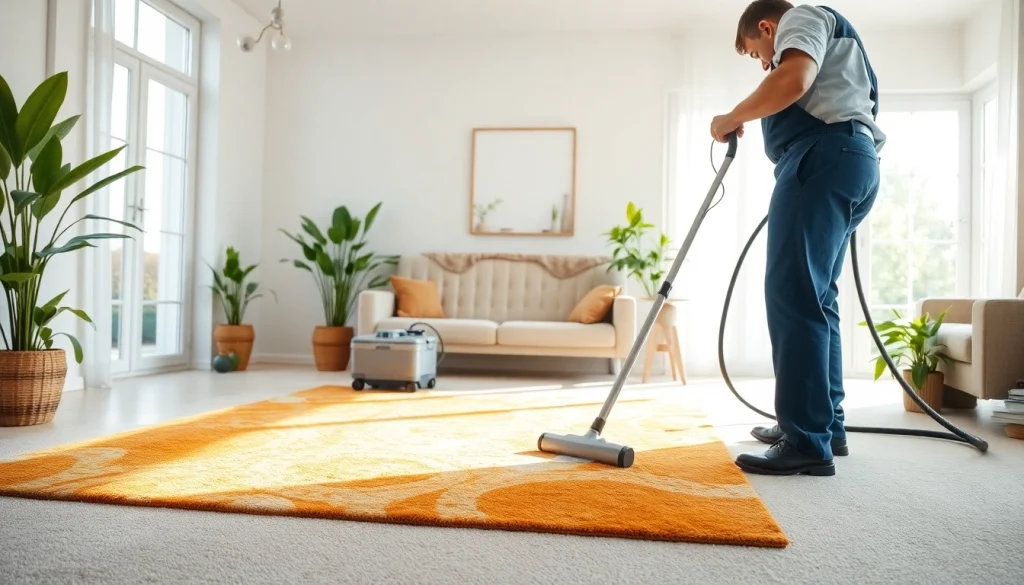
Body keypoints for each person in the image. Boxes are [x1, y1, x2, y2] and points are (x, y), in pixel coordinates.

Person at [709, 0, 886, 476]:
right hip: (848, 158)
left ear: (767, 26)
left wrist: (730, 117)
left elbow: (793, 80)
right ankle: (824, 427)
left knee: (793, 294)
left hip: (822, 156)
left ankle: (805, 439)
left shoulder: (802, 18)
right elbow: (793, 81)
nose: (765, 62)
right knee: (818, 298)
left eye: (757, 53)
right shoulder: (830, 37)